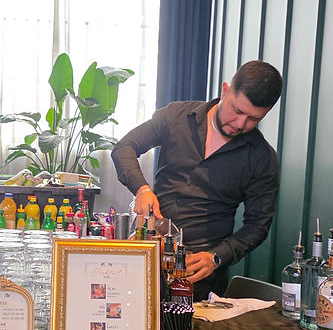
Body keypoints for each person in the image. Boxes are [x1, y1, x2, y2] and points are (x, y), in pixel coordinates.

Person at [111, 60, 283, 300]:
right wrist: (141, 189)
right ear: (225, 90)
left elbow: (257, 226)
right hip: (147, 258)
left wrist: (216, 257)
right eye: (237, 110)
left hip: (200, 277)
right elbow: (124, 147)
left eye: (253, 119)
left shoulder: (262, 158)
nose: (240, 124)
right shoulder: (176, 117)